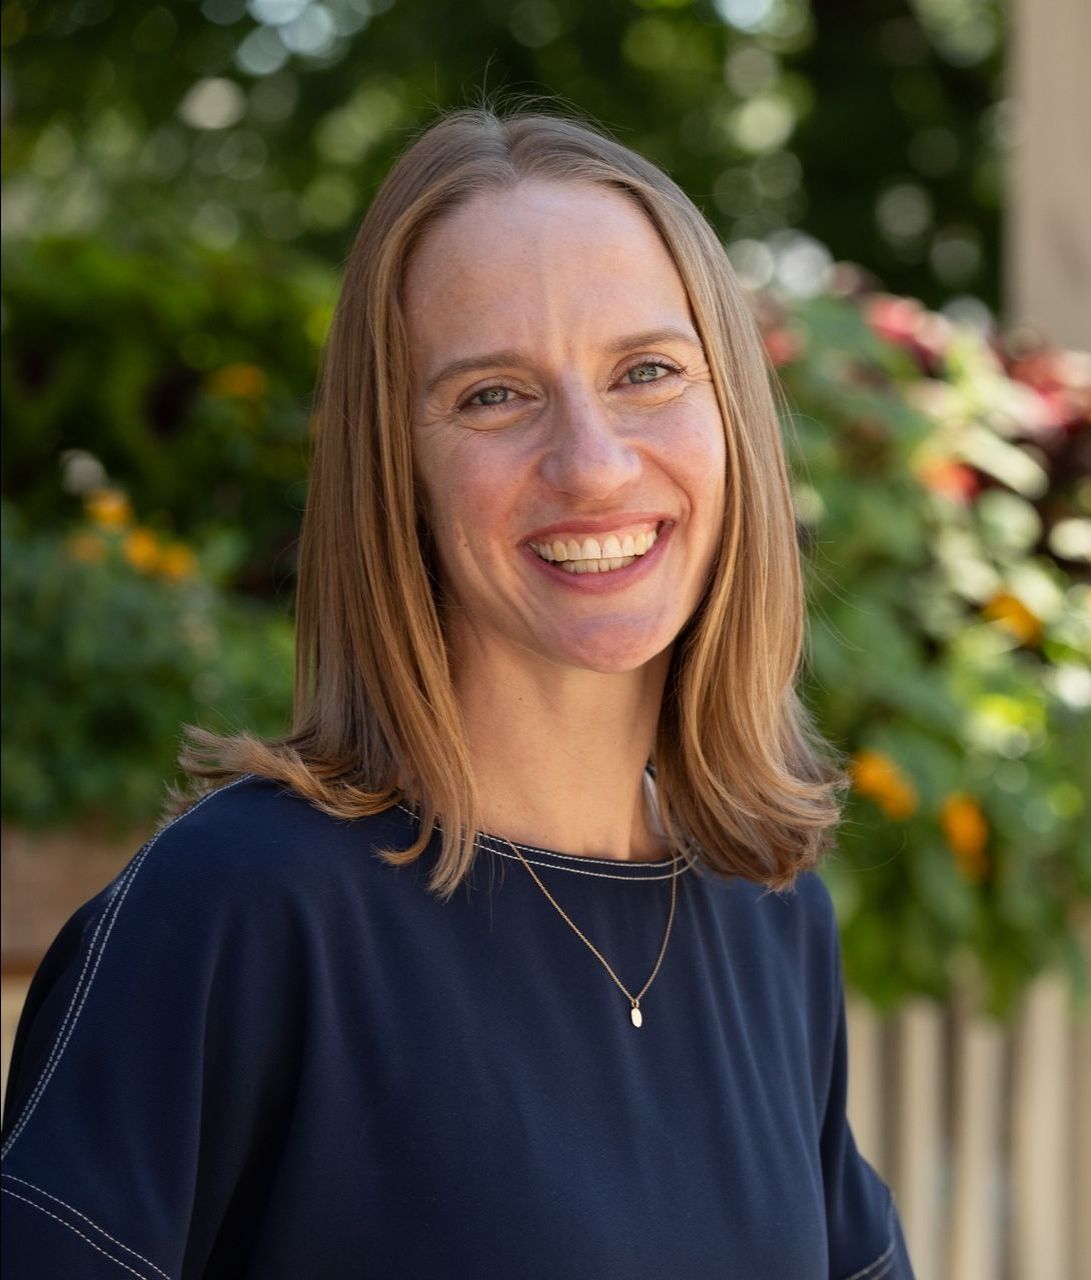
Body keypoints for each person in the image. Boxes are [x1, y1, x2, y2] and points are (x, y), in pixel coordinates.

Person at [1, 108, 914, 1278]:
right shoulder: (237, 912)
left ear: (731, 416)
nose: (590, 461)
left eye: (645, 371)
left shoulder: (770, 919)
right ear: (397, 474)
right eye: (492, 394)